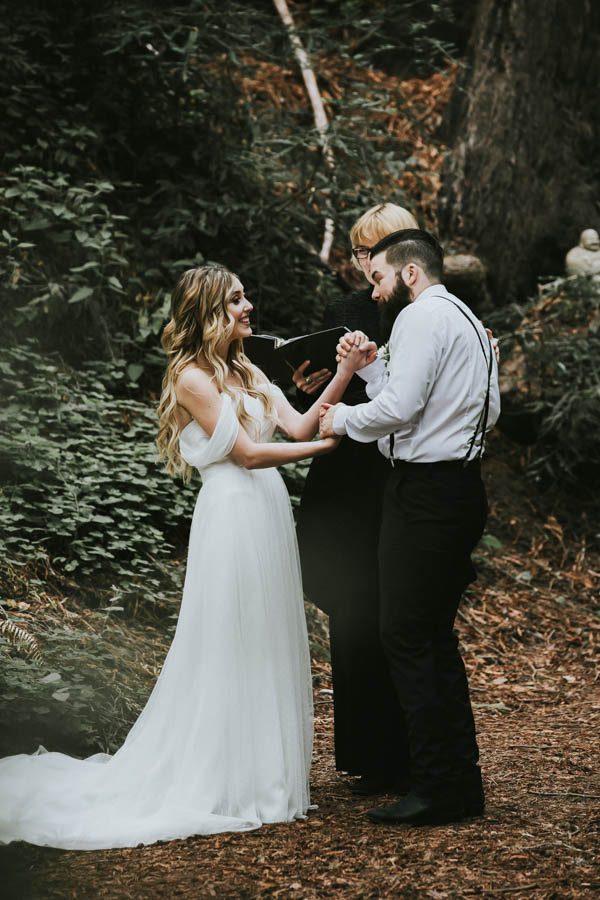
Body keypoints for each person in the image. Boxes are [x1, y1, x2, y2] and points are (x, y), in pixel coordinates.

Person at [0, 264, 358, 850]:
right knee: (229, 637)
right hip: (233, 512)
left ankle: (261, 772)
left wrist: (343, 373)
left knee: (264, 633)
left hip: (266, 510)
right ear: (210, 311)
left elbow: (295, 424)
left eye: (246, 295)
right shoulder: (191, 376)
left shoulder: (246, 367)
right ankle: (222, 776)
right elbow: (245, 454)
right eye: (236, 299)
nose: (248, 306)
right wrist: (327, 448)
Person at [320, 229, 501, 826]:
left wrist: (341, 416)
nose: (374, 292)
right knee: (432, 637)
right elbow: (481, 409)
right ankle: (460, 781)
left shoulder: (421, 318)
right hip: (458, 490)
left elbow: (399, 412)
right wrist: (371, 372)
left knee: (404, 634)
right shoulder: (469, 320)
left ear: (410, 274)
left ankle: (436, 786)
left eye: (378, 278)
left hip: (424, 495)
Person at [293, 203, 417, 794]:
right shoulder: (342, 310)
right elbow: (321, 385)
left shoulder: (428, 310)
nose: (369, 263)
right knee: (353, 610)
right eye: (362, 252)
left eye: (380, 250)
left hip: (401, 473)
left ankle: (410, 747)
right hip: (347, 479)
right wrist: (314, 380)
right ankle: (366, 754)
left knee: (397, 609)